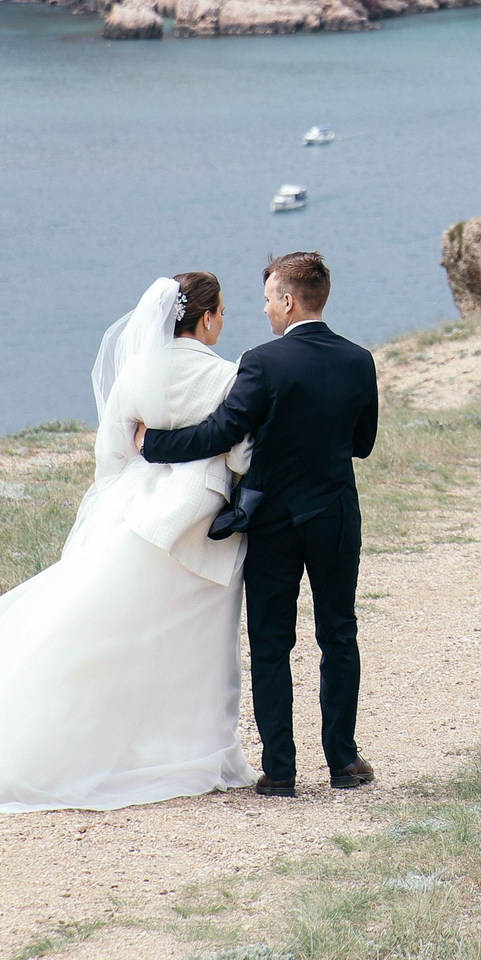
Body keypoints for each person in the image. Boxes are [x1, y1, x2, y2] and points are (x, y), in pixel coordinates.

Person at [0, 273, 258, 812]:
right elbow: (242, 454)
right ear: (204, 319)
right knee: (201, 645)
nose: (223, 321)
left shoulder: (136, 375)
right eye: (221, 311)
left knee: (115, 637)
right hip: (199, 524)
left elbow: (111, 455)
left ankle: (100, 747)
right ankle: (207, 755)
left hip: (138, 512)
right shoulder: (226, 376)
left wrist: (144, 467)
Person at [139, 250, 378, 796]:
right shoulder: (359, 360)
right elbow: (362, 445)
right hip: (335, 514)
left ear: (289, 300)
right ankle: (343, 763)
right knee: (338, 633)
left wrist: (153, 444)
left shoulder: (262, 362)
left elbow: (222, 432)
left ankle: (281, 772)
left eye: (269, 297)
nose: (264, 307)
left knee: (272, 643)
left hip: (271, 520)